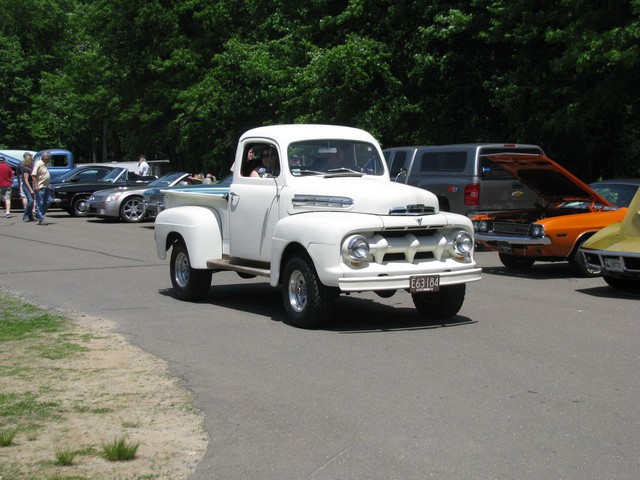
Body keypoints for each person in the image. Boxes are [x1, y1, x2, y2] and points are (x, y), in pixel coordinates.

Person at [32, 152, 52, 225]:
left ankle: (39, 214)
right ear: (45, 158)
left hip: (46, 186)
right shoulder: (39, 163)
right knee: (40, 203)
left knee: (49, 201)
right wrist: (36, 185)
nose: (49, 160)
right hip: (40, 187)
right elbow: (33, 175)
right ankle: (41, 218)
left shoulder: (45, 164)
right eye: (49, 158)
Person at [17, 152, 35, 221]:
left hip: (31, 185)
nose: (33, 161)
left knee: (32, 201)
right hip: (26, 185)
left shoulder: (31, 167)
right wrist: (31, 190)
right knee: (30, 200)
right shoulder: (26, 169)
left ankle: (30, 216)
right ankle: (26, 216)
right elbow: (26, 180)